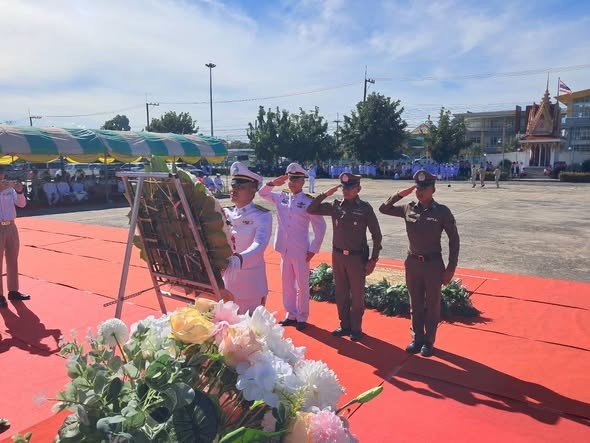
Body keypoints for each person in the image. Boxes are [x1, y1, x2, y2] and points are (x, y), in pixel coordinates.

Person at [379, 169, 460, 357]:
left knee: (432, 304)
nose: (420, 191)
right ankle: (417, 338)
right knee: (415, 303)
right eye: (417, 188)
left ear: (433, 189)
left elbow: (454, 240)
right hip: (413, 263)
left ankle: (429, 341)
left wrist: (451, 268)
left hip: (433, 264)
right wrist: (399, 194)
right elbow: (384, 209)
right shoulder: (408, 208)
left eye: (424, 188)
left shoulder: (442, 212)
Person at [307, 172, 382, 341]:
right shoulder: (336, 206)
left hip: (356, 258)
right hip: (338, 256)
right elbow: (311, 209)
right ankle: (344, 324)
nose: (346, 191)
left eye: (350, 187)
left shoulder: (365, 208)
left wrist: (373, 259)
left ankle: (356, 328)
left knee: (357, 295)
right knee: (340, 293)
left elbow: (377, 235)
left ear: (358, 189)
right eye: (344, 188)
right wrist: (325, 194)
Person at [259, 163, 327, 331]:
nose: (293, 182)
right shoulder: (281, 196)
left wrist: (313, 248)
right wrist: (273, 183)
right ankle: (291, 314)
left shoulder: (309, 201)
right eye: (290, 179)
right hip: (284, 248)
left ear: (303, 181)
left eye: (296, 179)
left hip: (301, 249)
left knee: (302, 284)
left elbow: (320, 226)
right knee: (287, 283)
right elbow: (262, 193)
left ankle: (302, 316)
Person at [222, 162, 272, 315]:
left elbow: (260, 243)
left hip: (250, 284)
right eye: (233, 186)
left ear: (253, 191)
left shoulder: (262, 216)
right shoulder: (225, 213)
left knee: (251, 326)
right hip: (227, 282)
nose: (234, 190)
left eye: (241, 187)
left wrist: (239, 259)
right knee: (227, 324)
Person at [0, 167, 30, 308]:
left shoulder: (9, 188)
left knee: (13, 258)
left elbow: (21, 204)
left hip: (11, 226)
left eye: (1, 173)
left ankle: (13, 290)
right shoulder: (5, 187)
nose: (1, 176)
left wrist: (19, 191)